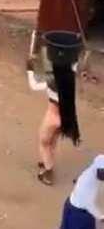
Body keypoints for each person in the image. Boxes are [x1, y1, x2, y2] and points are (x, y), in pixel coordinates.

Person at [27, 57, 80, 185]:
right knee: (53, 141)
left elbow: (33, 85)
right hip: (66, 117)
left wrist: (29, 70)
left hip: (53, 117)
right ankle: (47, 161)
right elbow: (74, 63)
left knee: (44, 143)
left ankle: (48, 171)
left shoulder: (52, 81)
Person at [53, 155, 104, 229]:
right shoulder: (87, 183)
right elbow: (88, 203)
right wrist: (101, 216)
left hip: (83, 211)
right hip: (77, 210)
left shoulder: (91, 173)